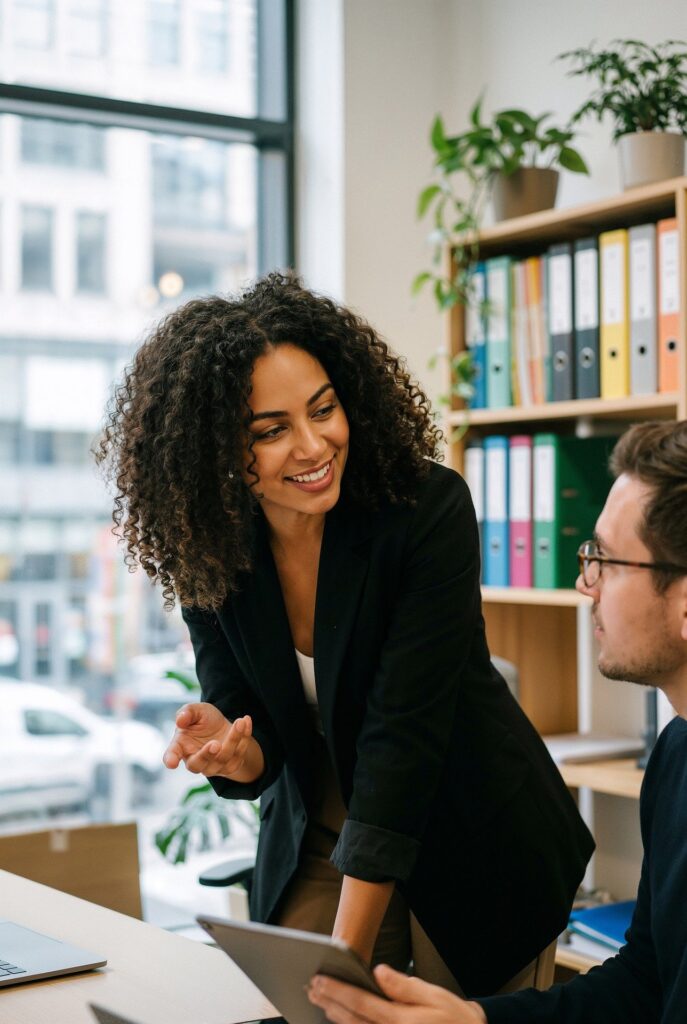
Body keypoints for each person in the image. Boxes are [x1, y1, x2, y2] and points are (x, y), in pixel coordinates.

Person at [97, 271, 592, 995]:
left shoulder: (424, 511)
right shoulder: (208, 542)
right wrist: (234, 750)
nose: (313, 445)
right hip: (323, 825)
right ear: (215, 451)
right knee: (297, 1001)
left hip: (469, 819)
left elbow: (402, 740)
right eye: (271, 431)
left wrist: (342, 962)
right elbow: (248, 716)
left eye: (323, 409)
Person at [308, 418, 687, 1024]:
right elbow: (646, 979)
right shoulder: (675, 753)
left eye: (607, 562)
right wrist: (474, 1021)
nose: (584, 583)